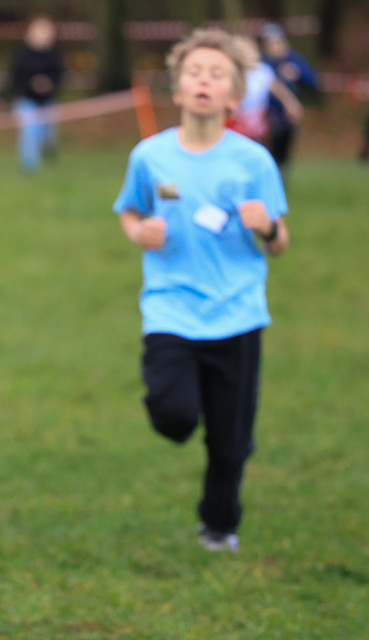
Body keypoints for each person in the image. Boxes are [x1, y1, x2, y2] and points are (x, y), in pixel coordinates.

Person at [113, 28, 290, 552]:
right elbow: (129, 208)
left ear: (235, 94)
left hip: (238, 314)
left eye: (217, 74)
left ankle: (218, 525)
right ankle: (173, 413)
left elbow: (280, 244)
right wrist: (137, 231)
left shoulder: (254, 161)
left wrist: (268, 227)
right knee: (175, 416)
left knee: (231, 444)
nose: (204, 81)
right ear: (179, 87)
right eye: (195, 72)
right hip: (171, 309)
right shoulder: (150, 156)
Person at [3, 13, 65, 173]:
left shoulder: (54, 54)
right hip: (26, 100)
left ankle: (48, 158)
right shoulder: (22, 54)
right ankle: (29, 168)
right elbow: (14, 77)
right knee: (30, 132)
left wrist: (49, 84)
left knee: (47, 135)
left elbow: (59, 75)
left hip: (47, 101)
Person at [260, 21, 318, 173]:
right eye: (271, 43)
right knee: (268, 148)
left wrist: (297, 74)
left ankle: (282, 174)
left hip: (288, 115)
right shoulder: (263, 62)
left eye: (278, 42)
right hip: (267, 114)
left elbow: (313, 81)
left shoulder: (294, 59)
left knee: (284, 149)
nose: (275, 46)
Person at [227, 35, 302, 143]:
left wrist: (291, 105)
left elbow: (279, 90)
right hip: (233, 121)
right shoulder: (229, 71)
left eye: (248, 50)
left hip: (256, 121)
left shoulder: (262, 71)